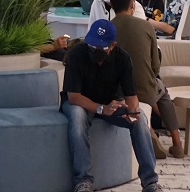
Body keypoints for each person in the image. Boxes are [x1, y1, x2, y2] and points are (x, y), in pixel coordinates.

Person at [61, 18, 164, 192]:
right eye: (92, 46)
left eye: (100, 48)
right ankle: (82, 180)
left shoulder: (123, 59)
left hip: (109, 103)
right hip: (80, 102)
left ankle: (150, 182)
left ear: (112, 46)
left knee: (140, 120)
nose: (94, 50)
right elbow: (74, 97)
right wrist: (101, 108)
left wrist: (132, 111)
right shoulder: (76, 54)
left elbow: (131, 96)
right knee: (78, 117)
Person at [110, 0, 185, 160]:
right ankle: (177, 143)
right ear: (133, 4)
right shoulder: (146, 26)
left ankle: (150, 133)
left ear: (111, 5)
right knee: (163, 94)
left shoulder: (107, 28)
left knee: (140, 94)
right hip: (145, 87)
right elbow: (155, 65)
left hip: (117, 91)